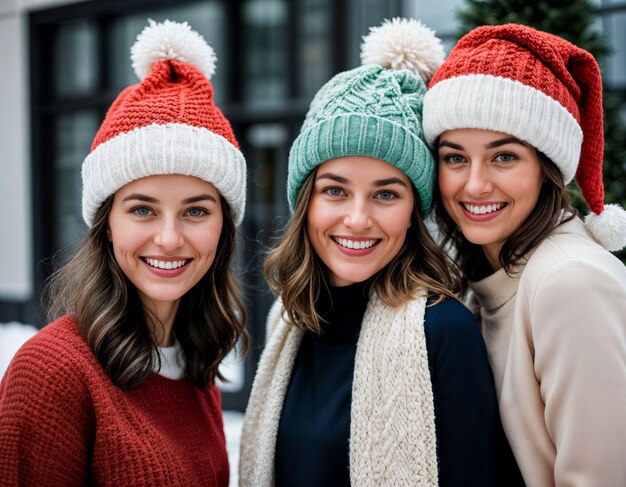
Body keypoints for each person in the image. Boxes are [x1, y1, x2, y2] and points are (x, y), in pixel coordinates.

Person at [239, 18, 504, 487]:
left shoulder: (443, 332)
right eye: (335, 191)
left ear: (412, 213)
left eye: (385, 195)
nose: (358, 219)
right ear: (305, 202)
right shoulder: (289, 319)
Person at [0, 20, 248, 486]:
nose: (170, 239)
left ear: (224, 228)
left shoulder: (196, 366)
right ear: (106, 223)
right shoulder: (53, 372)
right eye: (142, 210)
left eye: (195, 211)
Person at [423, 23, 626, 487]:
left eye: (504, 157)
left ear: (547, 168)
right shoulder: (486, 279)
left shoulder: (570, 282)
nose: (474, 185)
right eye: (455, 158)